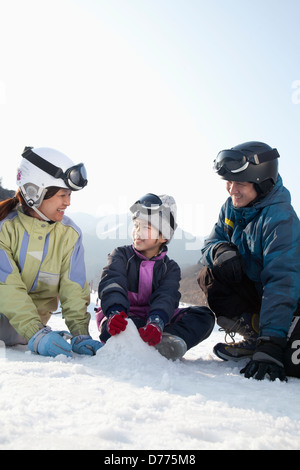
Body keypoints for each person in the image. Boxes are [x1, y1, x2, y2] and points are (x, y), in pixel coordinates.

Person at [197, 141, 300, 381]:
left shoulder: (280, 219)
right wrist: (220, 251)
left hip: (289, 301)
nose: (232, 190)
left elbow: (282, 281)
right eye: (229, 182)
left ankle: (269, 337)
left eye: (240, 183)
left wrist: (271, 343)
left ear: (262, 184)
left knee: (292, 365)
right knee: (210, 274)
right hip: (255, 292)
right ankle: (255, 334)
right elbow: (209, 243)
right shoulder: (231, 208)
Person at [0, 146, 103, 358]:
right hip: (27, 331)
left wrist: (80, 333)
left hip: (30, 334)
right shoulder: (5, 228)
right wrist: (35, 331)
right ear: (34, 192)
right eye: (62, 194)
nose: (68, 202)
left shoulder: (69, 235)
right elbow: (7, 286)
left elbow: (73, 287)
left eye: (70, 195)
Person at [96, 193, 215, 360]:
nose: (138, 231)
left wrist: (157, 322)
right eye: (136, 225)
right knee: (118, 328)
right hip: (122, 318)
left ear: (163, 236)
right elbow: (112, 283)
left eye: (146, 227)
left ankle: (166, 341)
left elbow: (166, 296)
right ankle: (136, 339)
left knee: (204, 316)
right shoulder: (121, 255)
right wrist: (115, 311)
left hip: (154, 321)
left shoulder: (170, 268)